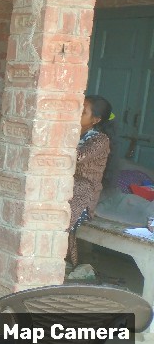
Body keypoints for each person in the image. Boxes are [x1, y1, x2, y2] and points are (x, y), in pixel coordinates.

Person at [68, 95, 115, 268]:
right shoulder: (72, 133)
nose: (76, 113)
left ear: (95, 120)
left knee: (62, 223)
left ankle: (68, 264)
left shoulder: (100, 140)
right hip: (67, 188)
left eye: (83, 111)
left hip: (83, 194)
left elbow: (77, 157)